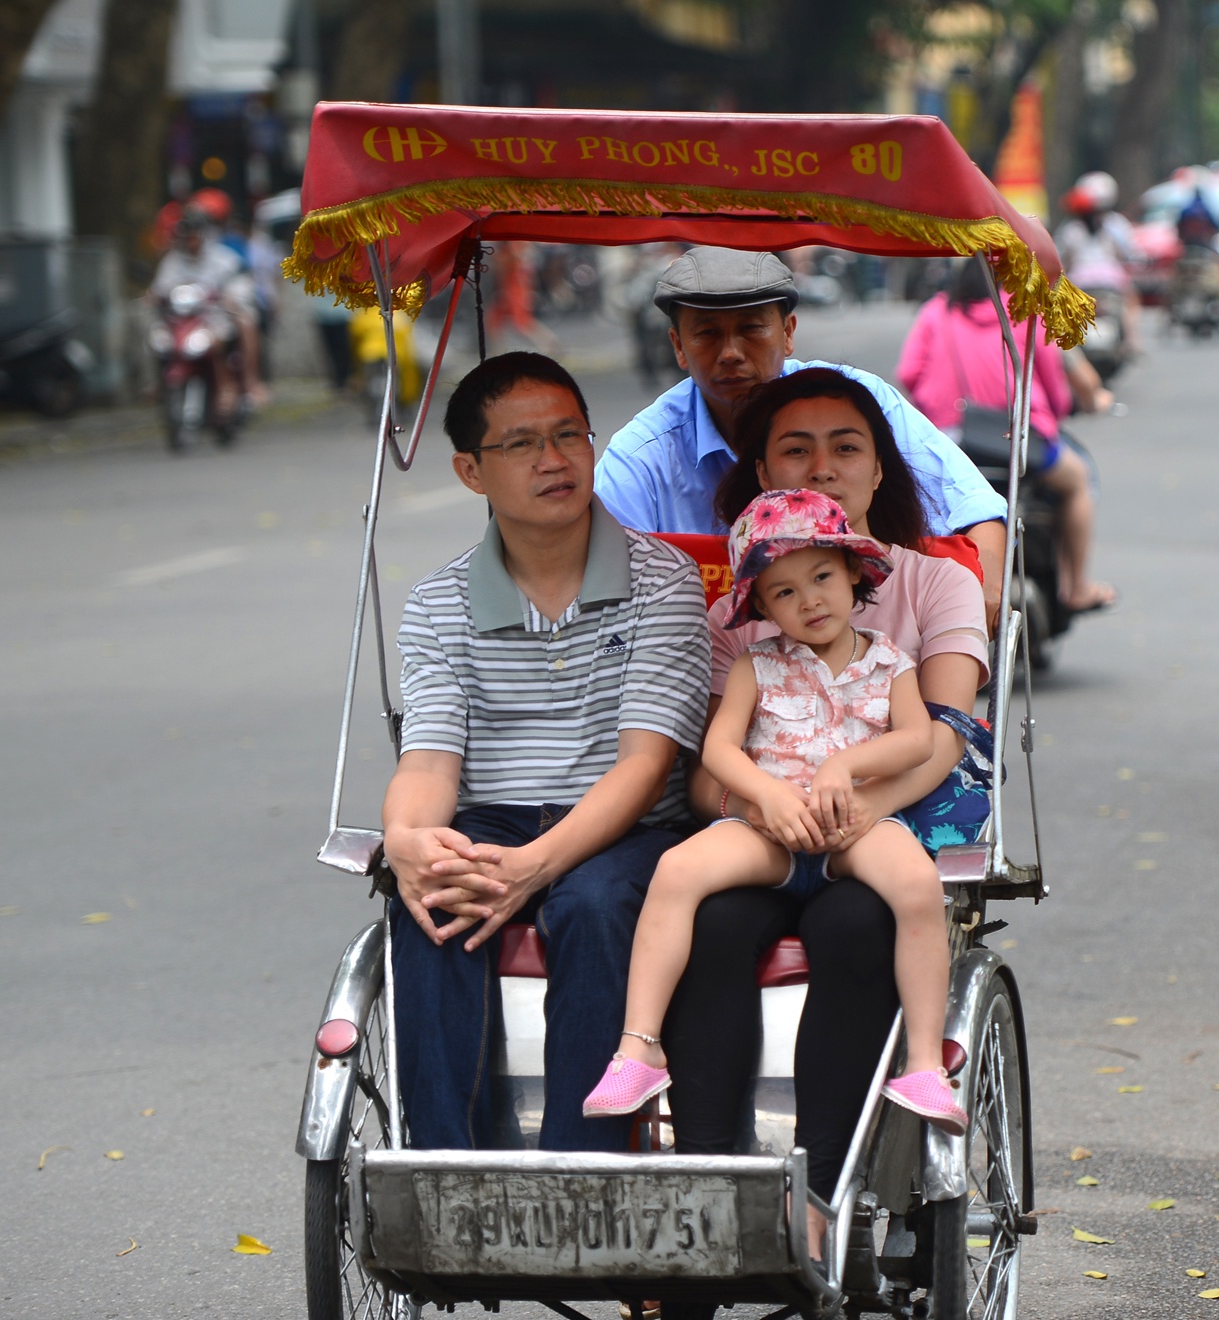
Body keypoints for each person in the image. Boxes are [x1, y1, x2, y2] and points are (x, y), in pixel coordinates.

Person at [662, 369, 992, 1268]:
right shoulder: (743, 604)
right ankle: (705, 1194)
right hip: (769, 829)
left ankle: (820, 1200)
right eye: (796, 448)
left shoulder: (936, 585)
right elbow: (706, 773)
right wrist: (772, 805)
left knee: (856, 925)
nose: (826, 464)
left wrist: (855, 805)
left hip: (895, 823)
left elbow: (949, 734)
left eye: (847, 445)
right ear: (759, 468)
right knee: (717, 924)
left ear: (880, 466)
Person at [380, 351, 711, 1151]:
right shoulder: (437, 603)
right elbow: (428, 763)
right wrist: (408, 844)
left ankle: (581, 1164)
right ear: (471, 471)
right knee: (428, 899)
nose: (554, 460)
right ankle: (441, 1168)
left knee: (593, 906)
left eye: (570, 435)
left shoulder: (662, 579)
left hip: (628, 829)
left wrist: (539, 864)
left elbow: (645, 763)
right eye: (523, 444)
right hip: (493, 815)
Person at [584, 489, 967, 1162]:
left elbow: (916, 739)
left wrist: (846, 766)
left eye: (822, 576)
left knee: (915, 884)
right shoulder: (754, 665)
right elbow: (721, 749)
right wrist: (765, 795)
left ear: (854, 574)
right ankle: (638, 1046)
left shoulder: (890, 663)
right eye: (785, 592)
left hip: (854, 830)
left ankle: (924, 1062)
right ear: (762, 608)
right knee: (677, 871)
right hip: (771, 829)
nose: (810, 600)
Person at [595, 246, 1008, 625]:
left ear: (788, 333)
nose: (731, 352)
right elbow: (598, 573)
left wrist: (984, 590)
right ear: (678, 346)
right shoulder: (644, 453)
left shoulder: (857, 402)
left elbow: (972, 506)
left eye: (752, 329)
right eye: (706, 334)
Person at [898, 257, 1115, 611]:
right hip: (1019, 443)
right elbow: (1055, 387)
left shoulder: (935, 312)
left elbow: (909, 373)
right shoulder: (1025, 311)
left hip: (949, 440)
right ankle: (1077, 588)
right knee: (1078, 481)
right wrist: (1057, 410)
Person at [150, 218, 267, 410]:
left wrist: (232, 296)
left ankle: (247, 382)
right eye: (186, 237)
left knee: (245, 322)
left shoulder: (222, 258)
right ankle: (158, 383)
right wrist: (154, 296)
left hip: (216, 316)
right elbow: (160, 287)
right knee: (157, 338)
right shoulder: (172, 261)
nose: (191, 242)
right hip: (183, 321)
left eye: (194, 236)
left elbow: (240, 282)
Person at [1054, 171, 1144, 354]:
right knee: (1132, 300)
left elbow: (1060, 258)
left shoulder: (1070, 228)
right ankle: (1130, 340)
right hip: (1112, 282)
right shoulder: (1116, 224)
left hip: (1078, 283)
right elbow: (1129, 252)